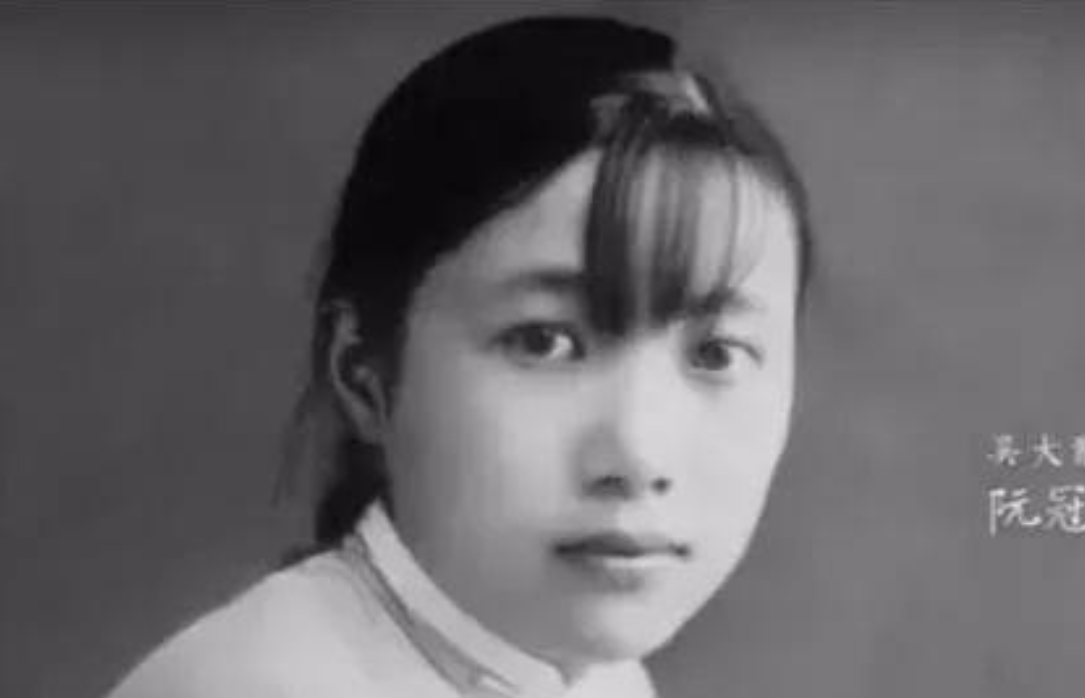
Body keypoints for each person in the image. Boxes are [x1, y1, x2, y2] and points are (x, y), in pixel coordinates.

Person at [106, 13, 813, 698]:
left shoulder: (602, 680)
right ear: (365, 376)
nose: (638, 455)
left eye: (717, 353)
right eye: (543, 341)